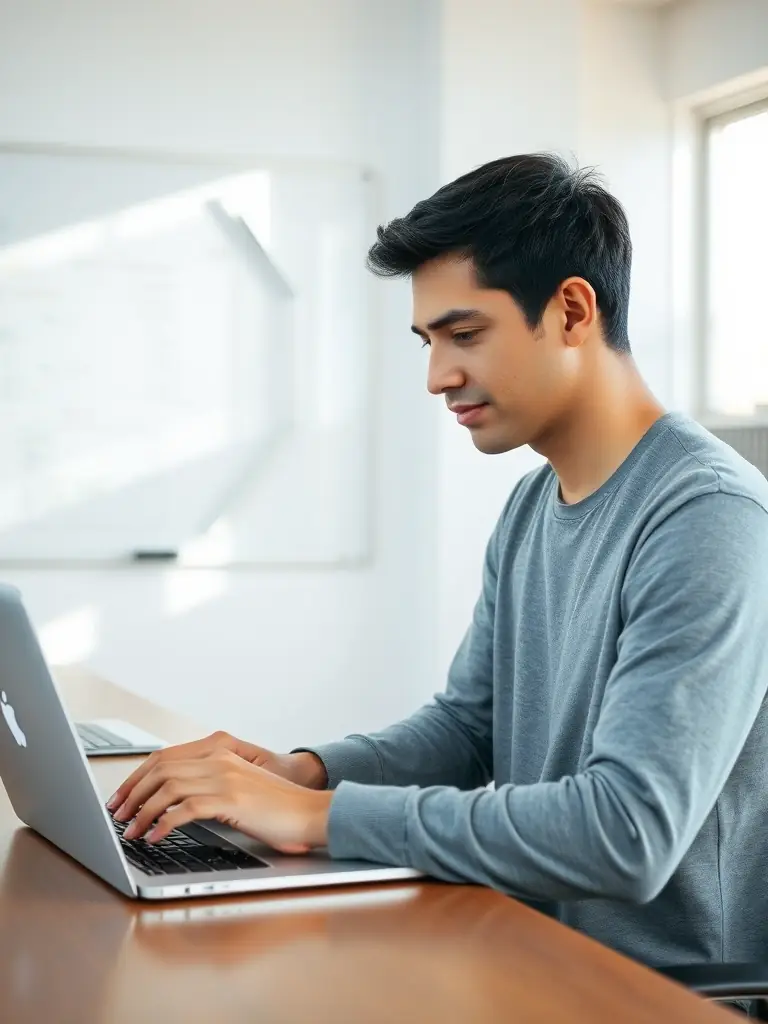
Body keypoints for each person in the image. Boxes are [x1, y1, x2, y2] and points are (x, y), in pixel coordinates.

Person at [108, 153, 768, 970]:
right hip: (517, 947)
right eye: (429, 340)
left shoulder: (708, 516)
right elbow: (467, 728)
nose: (437, 376)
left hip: (652, 991)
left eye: (465, 334)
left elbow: (627, 831)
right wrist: (305, 772)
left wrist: (317, 819)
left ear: (569, 310)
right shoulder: (534, 505)